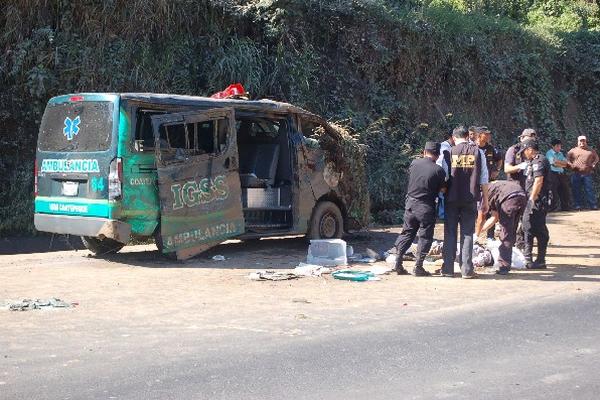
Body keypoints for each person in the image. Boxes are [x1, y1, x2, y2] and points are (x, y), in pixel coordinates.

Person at [442, 126, 489, 279]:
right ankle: (467, 270)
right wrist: (486, 201)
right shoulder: (479, 152)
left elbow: (443, 177)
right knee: (467, 233)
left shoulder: (448, 152)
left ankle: (448, 269)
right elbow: (483, 179)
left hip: (451, 199)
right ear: (467, 137)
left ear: (454, 138)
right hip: (470, 199)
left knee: (450, 233)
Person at [394, 142, 447, 277]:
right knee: (425, 237)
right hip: (426, 207)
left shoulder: (414, 163)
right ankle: (418, 267)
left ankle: (398, 263)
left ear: (424, 152)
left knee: (407, 233)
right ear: (438, 155)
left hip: (410, 204)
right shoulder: (439, 170)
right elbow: (443, 189)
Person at [478, 180, 527, 275]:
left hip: (509, 199)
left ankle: (504, 266)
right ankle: (509, 259)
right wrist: (482, 230)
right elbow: (494, 217)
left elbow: (481, 218)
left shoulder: (484, 193)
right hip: (522, 195)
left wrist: (476, 233)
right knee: (512, 229)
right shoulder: (496, 187)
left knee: (506, 233)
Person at [520, 139, 551, 269]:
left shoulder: (540, 160)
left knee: (536, 228)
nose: (524, 154)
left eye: (525, 151)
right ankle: (529, 258)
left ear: (530, 149)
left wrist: (531, 200)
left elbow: (538, 181)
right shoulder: (531, 162)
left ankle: (538, 259)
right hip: (532, 200)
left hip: (538, 201)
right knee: (528, 227)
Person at [474, 126, 503, 237]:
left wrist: (497, 170)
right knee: (477, 212)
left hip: (489, 184)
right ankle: (474, 234)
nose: (488, 136)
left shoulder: (491, 148)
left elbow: (499, 159)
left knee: (491, 209)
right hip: (475, 184)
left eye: (489, 134)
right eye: (486, 134)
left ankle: (490, 236)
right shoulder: (473, 148)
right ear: (479, 135)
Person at [567, 135, 599, 210]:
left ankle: (593, 205)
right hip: (576, 173)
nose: (582, 142)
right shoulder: (573, 150)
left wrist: (594, 163)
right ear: (578, 142)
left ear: (586, 141)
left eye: (583, 141)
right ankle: (578, 205)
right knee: (576, 190)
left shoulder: (591, 150)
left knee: (589, 190)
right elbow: (567, 159)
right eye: (580, 141)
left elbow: (597, 158)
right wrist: (570, 165)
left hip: (587, 173)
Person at [545, 138, 571, 211]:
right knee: (553, 191)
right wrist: (559, 163)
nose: (559, 148)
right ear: (553, 146)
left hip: (561, 173)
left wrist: (558, 162)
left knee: (565, 190)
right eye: (557, 146)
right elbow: (554, 163)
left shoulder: (560, 153)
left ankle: (565, 207)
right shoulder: (549, 153)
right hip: (553, 174)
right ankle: (553, 208)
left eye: (560, 146)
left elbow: (566, 164)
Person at [436, 131, 454, 219]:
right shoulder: (444, 146)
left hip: (448, 175)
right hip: (443, 175)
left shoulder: (451, 146)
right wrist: (443, 178)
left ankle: (444, 214)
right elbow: (440, 163)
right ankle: (442, 215)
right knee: (442, 195)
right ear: (451, 137)